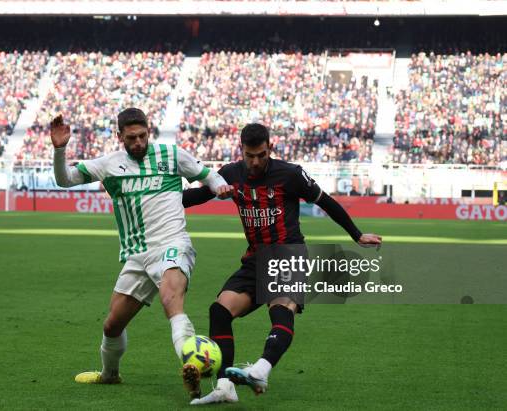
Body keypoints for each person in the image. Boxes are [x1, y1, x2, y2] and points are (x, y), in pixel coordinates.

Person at [182, 123, 382, 404]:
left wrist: (357, 234)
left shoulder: (290, 174)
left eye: (261, 155)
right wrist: (152, 199)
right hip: (254, 258)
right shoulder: (229, 174)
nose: (255, 161)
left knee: (280, 308)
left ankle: (261, 370)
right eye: (250, 155)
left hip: (288, 253)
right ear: (241, 150)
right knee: (219, 311)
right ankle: (225, 387)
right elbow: (195, 197)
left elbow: (326, 201)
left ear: (270, 148)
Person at [50, 108, 233, 398]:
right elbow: (65, 179)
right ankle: (110, 375)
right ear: (119, 135)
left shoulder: (171, 155)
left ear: (150, 132)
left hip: (173, 243)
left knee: (170, 299)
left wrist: (220, 186)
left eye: (142, 136)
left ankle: (193, 365)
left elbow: (208, 176)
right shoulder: (109, 164)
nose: (138, 142)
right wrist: (60, 150)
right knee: (112, 325)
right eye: (131, 137)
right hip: (137, 255)